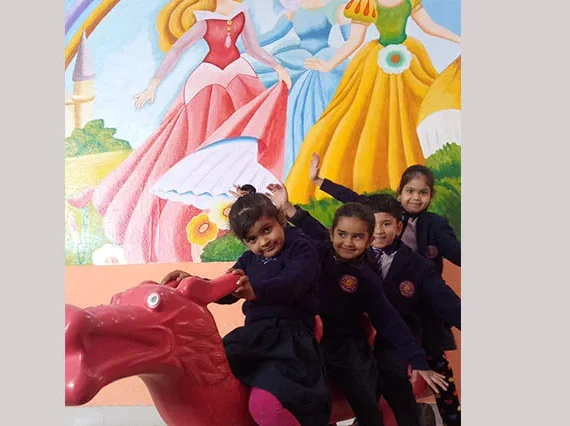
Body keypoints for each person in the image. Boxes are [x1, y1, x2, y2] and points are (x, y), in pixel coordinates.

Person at [89, 0, 292, 263]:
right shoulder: (204, 20)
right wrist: (153, 85)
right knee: (198, 133)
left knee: (247, 123)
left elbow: (253, 48)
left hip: (238, 72)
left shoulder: (241, 14)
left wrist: (278, 67)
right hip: (208, 77)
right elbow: (177, 50)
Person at [268, 183, 449, 426]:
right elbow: (296, 229)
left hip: (346, 345)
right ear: (332, 233)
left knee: (366, 401)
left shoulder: (366, 277)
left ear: (369, 240)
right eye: (342, 234)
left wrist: (416, 359)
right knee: (307, 397)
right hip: (308, 339)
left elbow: (388, 319)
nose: (348, 242)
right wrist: (281, 207)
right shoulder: (316, 250)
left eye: (358, 237)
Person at [162, 193, 330, 426]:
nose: (263, 241)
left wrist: (255, 291)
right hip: (256, 337)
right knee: (211, 368)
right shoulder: (248, 261)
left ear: (281, 220)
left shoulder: (301, 249)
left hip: (290, 339)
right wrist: (191, 281)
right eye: (252, 239)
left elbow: (293, 282)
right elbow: (222, 289)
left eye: (266, 229)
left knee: (266, 407)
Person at [284, 0, 461, 205]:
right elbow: (355, 40)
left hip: (409, 60)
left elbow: (429, 26)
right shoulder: (366, 3)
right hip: (375, 66)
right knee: (371, 118)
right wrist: (329, 64)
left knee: (413, 110)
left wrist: (460, 39)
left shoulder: (409, 1)